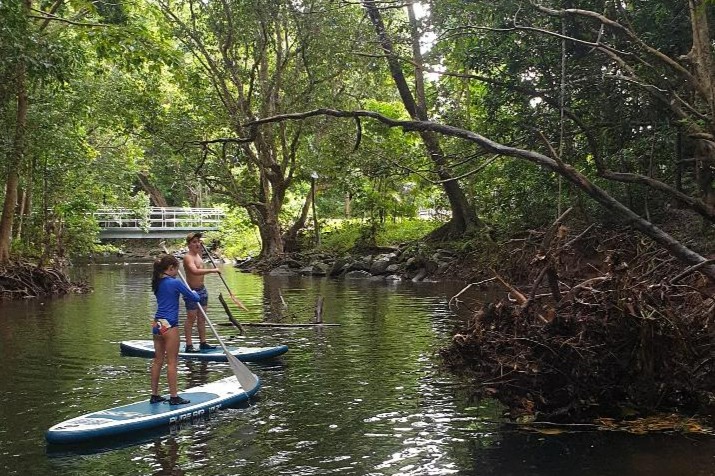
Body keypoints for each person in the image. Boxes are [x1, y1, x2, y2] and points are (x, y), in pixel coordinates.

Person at [150, 254, 201, 405]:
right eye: (176, 269)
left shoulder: (157, 282)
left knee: (158, 360)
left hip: (157, 323)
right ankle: (174, 397)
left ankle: (154, 395)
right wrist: (196, 293)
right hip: (170, 324)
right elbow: (194, 298)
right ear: (171, 269)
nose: (177, 272)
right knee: (172, 362)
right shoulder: (175, 283)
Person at [183, 232, 222, 353]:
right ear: (189, 245)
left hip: (202, 290)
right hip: (191, 291)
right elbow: (194, 271)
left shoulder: (198, 254)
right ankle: (189, 345)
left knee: (202, 318)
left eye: (198, 242)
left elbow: (199, 259)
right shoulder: (188, 257)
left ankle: (203, 343)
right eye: (194, 242)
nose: (197, 244)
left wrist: (201, 246)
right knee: (191, 318)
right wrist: (213, 270)